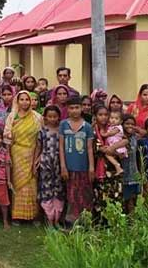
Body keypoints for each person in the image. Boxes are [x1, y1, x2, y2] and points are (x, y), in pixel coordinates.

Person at [4, 91, 42, 222]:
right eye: (22, 99)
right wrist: (8, 156)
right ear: (17, 101)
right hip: (16, 153)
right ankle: (17, 216)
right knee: (17, 184)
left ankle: (33, 215)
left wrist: (37, 157)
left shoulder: (37, 117)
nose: (25, 102)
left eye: (27, 99)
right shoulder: (12, 117)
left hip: (32, 153)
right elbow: (7, 139)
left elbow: (39, 140)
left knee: (31, 184)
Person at [59, 96, 95, 226]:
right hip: (69, 167)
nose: (74, 111)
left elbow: (90, 148)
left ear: (82, 108)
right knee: (72, 194)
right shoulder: (63, 125)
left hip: (84, 167)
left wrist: (91, 167)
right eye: (71, 108)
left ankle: (85, 222)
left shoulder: (87, 127)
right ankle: (70, 222)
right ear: (67, 109)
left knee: (84, 194)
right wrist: (63, 166)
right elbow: (61, 147)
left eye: (77, 107)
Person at [91, 105, 125, 221]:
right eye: (100, 115)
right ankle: (101, 221)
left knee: (115, 192)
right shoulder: (93, 130)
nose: (104, 118)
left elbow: (125, 140)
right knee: (101, 193)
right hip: (100, 166)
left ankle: (114, 220)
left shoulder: (113, 127)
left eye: (106, 115)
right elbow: (97, 147)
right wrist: (110, 150)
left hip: (114, 167)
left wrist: (113, 148)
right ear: (95, 116)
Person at [37, 106, 65, 228]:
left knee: (59, 189)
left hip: (59, 163)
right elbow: (38, 147)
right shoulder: (42, 131)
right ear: (45, 118)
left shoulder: (62, 131)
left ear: (59, 117)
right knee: (46, 189)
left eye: (55, 116)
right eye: (50, 116)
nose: (52, 119)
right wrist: (35, 161)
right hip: (45, 163)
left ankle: (57, 219)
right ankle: (49, 219)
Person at [121, 114, 141, 214]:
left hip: (133, 172)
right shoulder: (118, 138)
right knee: (125, 198)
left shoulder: (135, 138)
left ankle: (132, 218)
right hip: (123, 172)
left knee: (133, 197)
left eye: (132, 124)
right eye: (127, 124)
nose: (130, 126)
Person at [104, 111, 127, 175]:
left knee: (107, 154)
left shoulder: (118, 127)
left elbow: (112, 133)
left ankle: (117, 166)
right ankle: (115, 169)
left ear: (120, 121)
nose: (113, 120)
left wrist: (104, 134)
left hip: (116, 145)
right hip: (112, 145)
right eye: (111, 118)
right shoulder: (110, 126)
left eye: (116, 119)